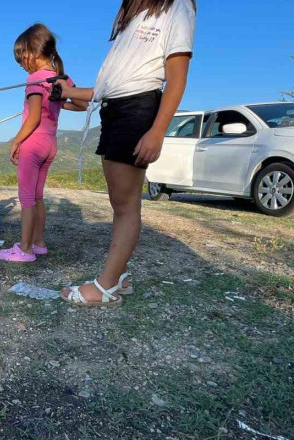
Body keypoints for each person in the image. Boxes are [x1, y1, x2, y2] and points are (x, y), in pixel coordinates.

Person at [55, 0, 196, 305]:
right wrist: (66, 92)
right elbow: (105, 88)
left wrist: (157, 131)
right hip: (115, 109)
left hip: (137, 109)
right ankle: (119, 276)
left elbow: (177, 76)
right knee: (120, 202)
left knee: (125, 205)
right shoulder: (133, 18)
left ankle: (105, 287)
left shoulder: (177, 7)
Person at [0, 24, 88, 263]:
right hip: (50, 145)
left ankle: (24, 249)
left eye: (22, 57)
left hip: (33, 144)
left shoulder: (35, 79)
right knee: (37, 196)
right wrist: (59, 101)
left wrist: (16, 141)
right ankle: (39, 243)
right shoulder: (62, 78)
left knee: (26, 198)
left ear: (34, 51)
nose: (21, 62)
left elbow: (34, 117)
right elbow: (83, 105)